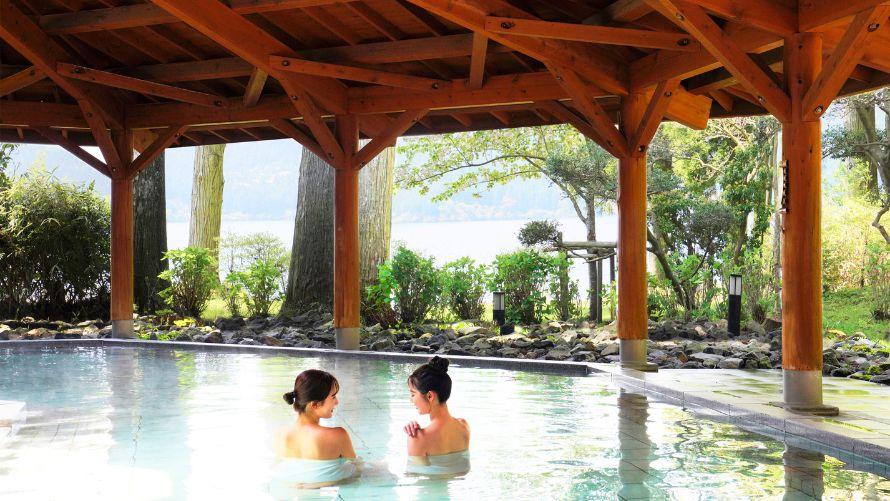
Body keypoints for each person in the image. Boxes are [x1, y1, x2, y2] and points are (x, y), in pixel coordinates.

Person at [271, 369, 359, 490]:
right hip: (329, 485)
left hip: (287, 487)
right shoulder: (338, 435)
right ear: (315, 404)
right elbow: (356, 465)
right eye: (333, 397)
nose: (337, 402)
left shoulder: (280, 434)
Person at [403, 356, 471, 476]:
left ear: (430, 396)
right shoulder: (464, 426)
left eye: (413, 394)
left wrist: (416, 436)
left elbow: (415, 476)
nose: (411, 400)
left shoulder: (417, 438)